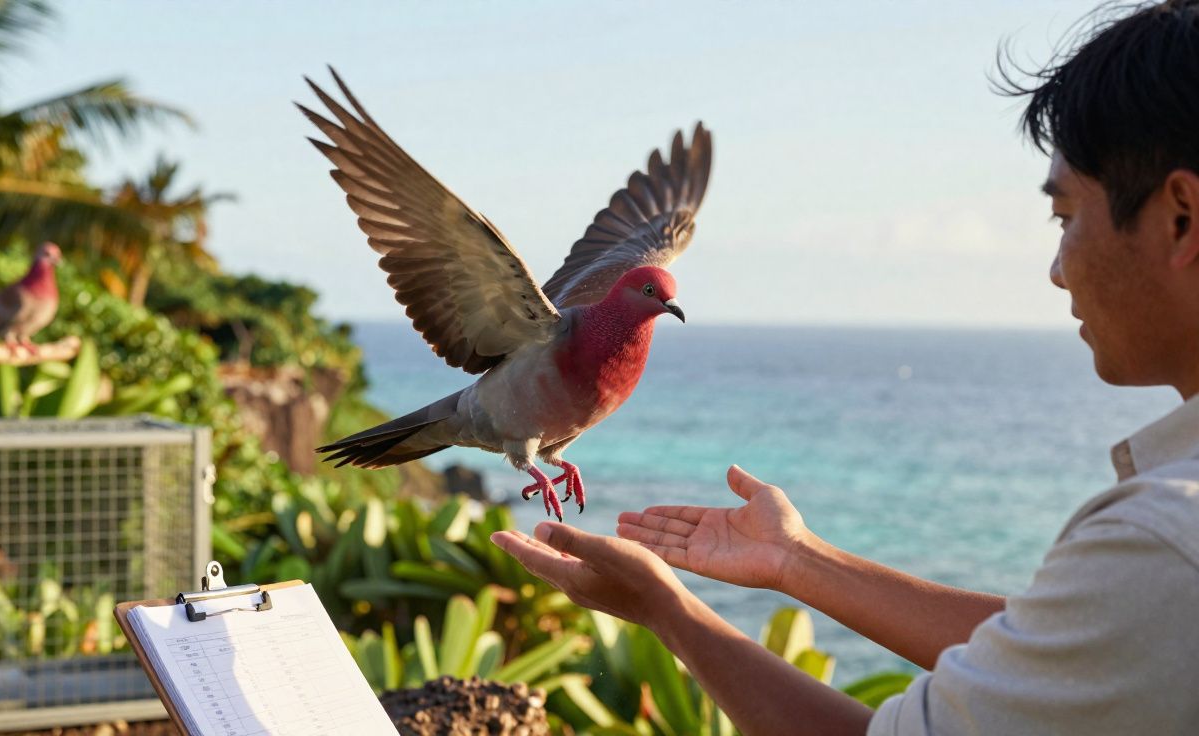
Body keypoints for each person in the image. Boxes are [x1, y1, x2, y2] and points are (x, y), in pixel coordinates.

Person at [491, 2, 1199, 733]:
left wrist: (666, 610)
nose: (1056, 271)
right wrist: (798, 560)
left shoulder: (1163, 543)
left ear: (1179, 216)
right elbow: (1064, 656)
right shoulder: (1161, 565)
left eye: (1065, 217)